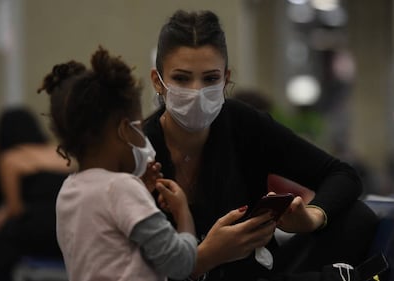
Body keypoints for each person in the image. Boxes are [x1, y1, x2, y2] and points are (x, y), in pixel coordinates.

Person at [143, 9, 379, 281]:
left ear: (226, 78)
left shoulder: (242, 124)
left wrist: (312, 216)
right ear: (157, 81)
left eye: (210, 79)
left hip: (261, 272)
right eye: (182, 78)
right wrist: (206, 256)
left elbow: (343, 175)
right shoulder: (140, 151)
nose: (196, 92)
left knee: (357, 218)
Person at [37, 46, 198, 281]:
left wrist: (141, 191)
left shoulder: (68, 192)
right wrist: (183, 212)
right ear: (124, 130)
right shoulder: (122, 189)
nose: (143, 139)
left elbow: (109, 245)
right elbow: (179, 263)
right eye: (139, 129)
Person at [0, 106, 73, 281]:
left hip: (37, 233)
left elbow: (15, 208)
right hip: (68, 228)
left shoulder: (11, 158)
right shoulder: (60, 153)